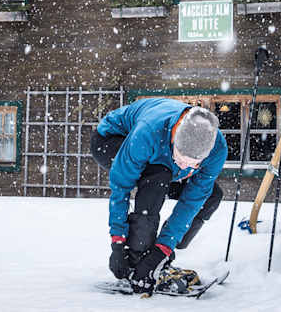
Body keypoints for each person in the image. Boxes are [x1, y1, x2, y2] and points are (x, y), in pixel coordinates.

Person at [90, 99, 228, 293]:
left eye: (192, 165)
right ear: (174, 139)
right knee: (158, 176)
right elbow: (121, 188)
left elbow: (192, 201)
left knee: (211, 195)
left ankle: (160, 257)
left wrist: (162, 250)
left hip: (160, 154)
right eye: (180, 159)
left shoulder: (217, 149)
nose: (184, 167)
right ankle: (137, 259)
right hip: (112, 139)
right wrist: (118, 243)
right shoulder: (147, 133)